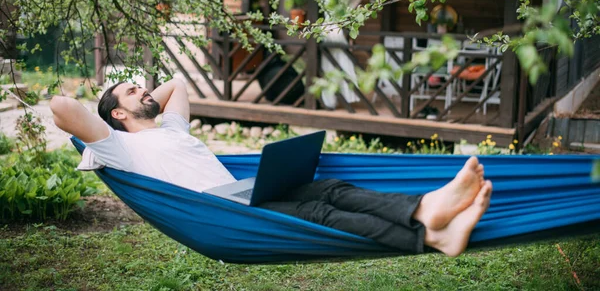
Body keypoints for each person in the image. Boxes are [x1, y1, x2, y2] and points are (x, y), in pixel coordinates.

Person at [50, 79, 493, 257]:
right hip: (223, 214)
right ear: (117, 116)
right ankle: (428, 224)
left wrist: (138, 98)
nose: (146, 90)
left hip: (245, 190)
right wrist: (111, 117)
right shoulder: (120, 149)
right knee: (321, 217)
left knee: (331, 188)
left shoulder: (171, 130)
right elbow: (62, 107)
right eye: (133, 91)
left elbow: (177, 86)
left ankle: (430, 221)